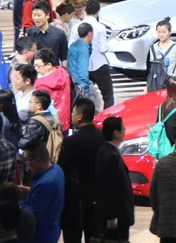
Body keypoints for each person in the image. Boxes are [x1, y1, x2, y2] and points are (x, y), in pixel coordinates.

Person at [58, 98, 106, 243]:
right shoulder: (103, 138)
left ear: (79, 116)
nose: (71, 115)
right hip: (98, 199)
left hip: (75, 200)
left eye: (73, 112)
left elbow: (62, 169)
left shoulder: (71, 141)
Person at [95, 117, 135, 241]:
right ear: (116, 133)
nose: (125, 131)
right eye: (123, 129)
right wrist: (111, 217)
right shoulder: (111, 155)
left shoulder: (106, 151)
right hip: (117, 215)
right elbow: (109, 187)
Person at [20, 139, 65, 243]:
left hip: (41, 235)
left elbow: (31, 215)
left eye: (27, 160)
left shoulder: (45, 183)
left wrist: (18, 203)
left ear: (38, 160)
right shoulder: (56, 169)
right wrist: (31, 191)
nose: (26, 163)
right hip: (52, 227)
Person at [72, 0, 114, 109]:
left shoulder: (76, 27)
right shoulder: (100, 27)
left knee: (82, 94)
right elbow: (103, 48)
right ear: (98, 11)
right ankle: (106, 120)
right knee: (108, 96)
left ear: (85, 9)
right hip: (99, 65)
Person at [33, 49, 71, 131]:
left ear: (49, 65)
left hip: (50, 123)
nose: (36, 69)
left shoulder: (41, 85)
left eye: (39, 66)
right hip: (64, 118)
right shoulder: (63, 72)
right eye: (35, 65)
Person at [26, 2, 68, 66]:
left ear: (47, 15)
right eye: (34, 15)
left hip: (53, 71)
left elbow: (64, 58)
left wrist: (64, 73)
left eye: (39, 15)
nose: (36, 18)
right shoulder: (30, 32)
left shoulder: (60, 34)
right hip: (36, 71)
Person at [68, 23, 93, 94]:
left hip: (72, 82)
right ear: (90, 33)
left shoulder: (74, 44)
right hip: (79, 85)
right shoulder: (83, 48)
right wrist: (86, 89)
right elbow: (83, 70)